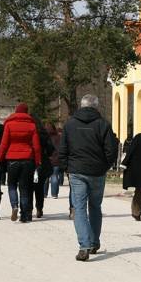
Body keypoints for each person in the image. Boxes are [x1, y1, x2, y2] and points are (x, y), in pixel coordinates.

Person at [59, 94, 118, 262]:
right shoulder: (103, 124)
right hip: (97, 171)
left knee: (79, 209)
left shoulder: (70, 124)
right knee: (95, 207)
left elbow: (62, 149)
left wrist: (66, 168)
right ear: (96, 107)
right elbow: (111, 150)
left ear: (81, 106)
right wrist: (105, 165)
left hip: (77, 171)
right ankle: (93, 242)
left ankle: (84, 245)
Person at [0, 103, 41, 223]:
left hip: (12, 159)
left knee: (11, 185)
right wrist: (38, 161)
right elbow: (36, 146)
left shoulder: (9, 125)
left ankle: (14, 206)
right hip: (28, 159)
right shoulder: (32, 125)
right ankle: (24, 215)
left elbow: (4, 143)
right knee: (25, 188)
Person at [28, 116, 54, 219]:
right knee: (39, 188)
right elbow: (50, 148)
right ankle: (39, 208)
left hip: (29, 161)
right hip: (42, 162)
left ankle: (28, 209)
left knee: (28, 187)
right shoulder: (44, 134)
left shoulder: (29, 132)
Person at [44, 123, 61, 199]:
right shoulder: (58, 137)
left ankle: (44, 193)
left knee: (45, 177)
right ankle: (54, 194)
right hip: (56, 159)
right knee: (55, 176)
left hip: (47, 159)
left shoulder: (44, 137)